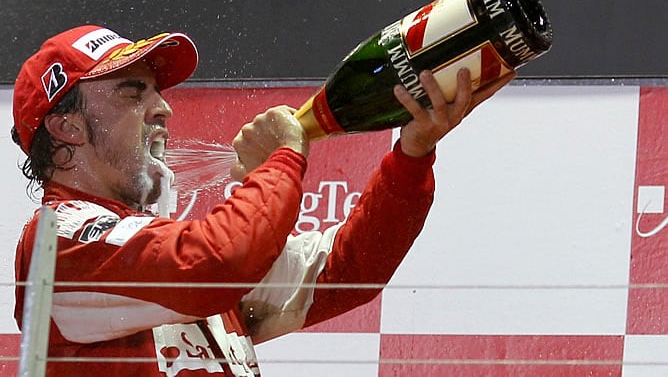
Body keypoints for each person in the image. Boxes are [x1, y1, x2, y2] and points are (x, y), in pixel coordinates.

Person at [12, 25, 514, 376]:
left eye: (156, 91)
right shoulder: (58, 241)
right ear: (66, 126)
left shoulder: (161, 252)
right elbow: (216, 262)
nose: (162, 107)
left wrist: (412, 154)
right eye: (130, 92)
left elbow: (348, 272)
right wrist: (283, 159)